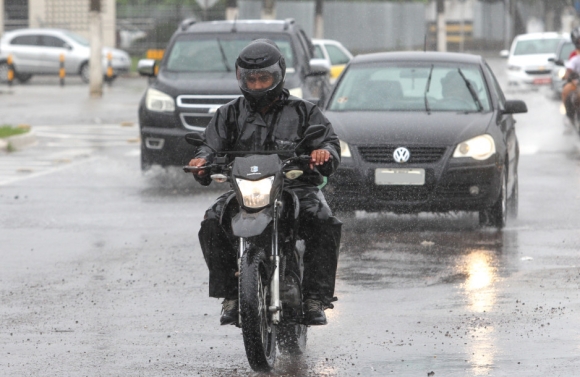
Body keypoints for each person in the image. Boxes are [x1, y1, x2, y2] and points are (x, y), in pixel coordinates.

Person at [187, 39, 342, 326]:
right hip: (246, 189)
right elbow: (208, 146)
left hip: (294, 187)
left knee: (323, 219)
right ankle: (231, 295)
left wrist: (324, 153)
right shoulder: (229, 113)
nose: (257, 85)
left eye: (264, 78)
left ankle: (314, 297)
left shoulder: (304, 111)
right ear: (241, 78)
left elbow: (329, 144)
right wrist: (202, 161)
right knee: (212, 220)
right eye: (251, 79)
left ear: (278, 75)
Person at [562, 27, 580, 122]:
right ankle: (569, 114)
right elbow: (569, 70)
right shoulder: (574, 57)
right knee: (567, 89)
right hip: (576, 82)